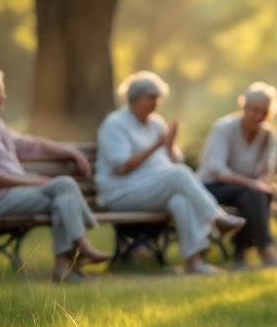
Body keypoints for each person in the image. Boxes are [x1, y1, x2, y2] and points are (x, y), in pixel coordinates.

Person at [0, 68, 111, 283]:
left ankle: (64, 269)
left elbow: (29, 145)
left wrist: (69, 151)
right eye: (1, 92)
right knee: (63, 187)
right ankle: (82, 243)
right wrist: (33, 182)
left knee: (61, 201)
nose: (4, 97)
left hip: (14, 195)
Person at [95, 71, 245, 275]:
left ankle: (194, 262)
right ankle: (216, 218)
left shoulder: (156, 123)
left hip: (151, 189)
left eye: (158, 99)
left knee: (179, 200)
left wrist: (170, 145)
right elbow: (121, 167)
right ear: (135, 98)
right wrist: (157, 145)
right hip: (121, 192)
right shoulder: (115, 124)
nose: (156, 103)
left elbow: (175, 161)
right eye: (152, 98)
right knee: (179, 175)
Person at [198, 82, 277, 269]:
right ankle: (265, 251)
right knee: (252, 193)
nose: (258, 116)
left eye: (263, 112)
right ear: (244, 107)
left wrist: (259, 181)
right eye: (254, 110)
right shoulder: (224, 128)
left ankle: (242, 253)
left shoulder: (269, 136)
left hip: (245, 192)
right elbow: (216, 169)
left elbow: (265, 173)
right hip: (211, 187)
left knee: (258, 193)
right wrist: (251, 183)